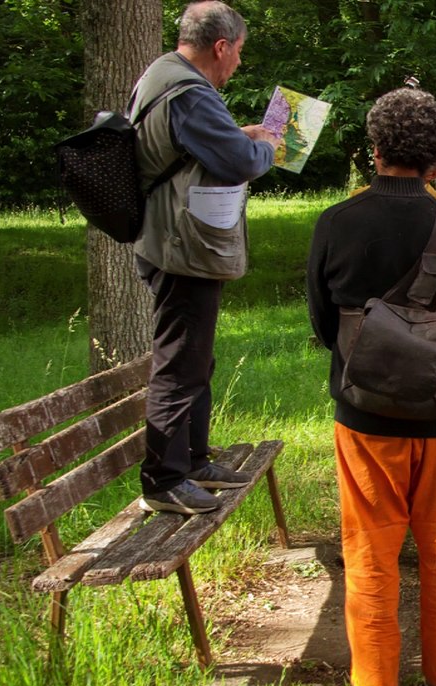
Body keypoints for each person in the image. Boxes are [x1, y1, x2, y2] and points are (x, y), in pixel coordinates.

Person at [306, 87, 436, 686]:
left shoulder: (336, 222)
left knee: (370, 549)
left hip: (365, 416)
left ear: (374, 148)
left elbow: (323, 324)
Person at [131, 1, 281, 514]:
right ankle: (164, 479)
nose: (238, 62)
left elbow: (194, 147)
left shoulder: (164, 74)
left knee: (195, 358)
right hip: (181, 249)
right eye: (238, 51)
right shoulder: (190, 92)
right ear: (220, 46)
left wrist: (241, 134)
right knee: (179, 363)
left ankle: (193, 459)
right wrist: (267, 143)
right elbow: (242, 162)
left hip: (172, 241)